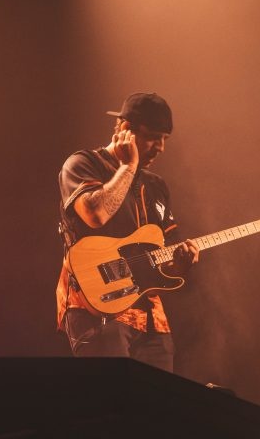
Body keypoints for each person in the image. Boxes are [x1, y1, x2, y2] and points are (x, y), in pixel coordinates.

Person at [55, 92, 199, 372]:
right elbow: (95, 214)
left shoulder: (157, 186)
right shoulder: (82, 163)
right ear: (124, 129)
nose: (160, 148)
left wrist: (179, 264)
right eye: (153, 136)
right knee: (114, 403)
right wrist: (128, 166)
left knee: (158, 406)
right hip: (96, 308)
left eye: (165, 139)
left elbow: (162, 254)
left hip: (150, 315)